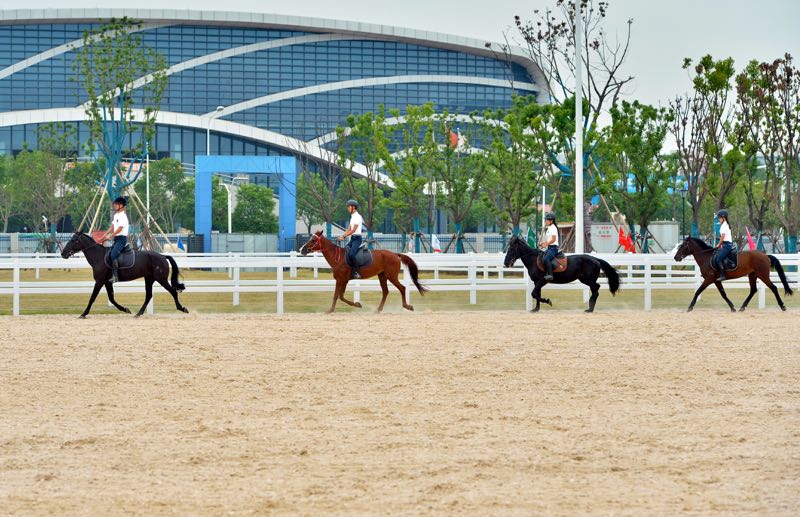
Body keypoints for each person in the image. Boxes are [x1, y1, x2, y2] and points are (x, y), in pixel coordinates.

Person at [99, 196, 129, 283]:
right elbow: (112, 227)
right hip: (116, 239)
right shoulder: (116, 215)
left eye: (116, 204)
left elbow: (120, 228)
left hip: (122, 240)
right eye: (115, 204)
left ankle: (115, 276)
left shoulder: (123, 216)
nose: (115, 205)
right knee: (108, 254)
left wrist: (111, 236)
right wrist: (104, 235)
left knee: (113, 255)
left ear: (121, 205)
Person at [337, 199, 364, 279]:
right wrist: (342, 236)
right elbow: (349, 229)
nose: (347, 208)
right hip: (352, 239)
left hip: (357, 239)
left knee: (352, 254)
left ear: (353, 207)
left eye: (348, 207)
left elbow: (353, 230)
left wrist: (344, 237)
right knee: (345, 252)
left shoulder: (358, 217)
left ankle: (357, 272)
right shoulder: (352, 217)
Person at [538, 212, 560, 281]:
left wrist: (546, 244)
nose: (545, 221)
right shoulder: (549, 228)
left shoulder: (553, 228)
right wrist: (543, 243)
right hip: (550, 247)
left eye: (546, 220)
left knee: (546, 259)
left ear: (551, 221)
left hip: (553, 248)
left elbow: (553, 239)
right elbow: (549, 240)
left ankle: (550, 275)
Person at [714, 209, 733, 281]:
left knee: (718, 259)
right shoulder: (724, 225)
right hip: (725, 244)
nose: (718, 219)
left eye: (719, 218)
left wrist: (718, 244)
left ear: (723, 217)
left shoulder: (724, 225)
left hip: (727, 245)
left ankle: (723, 275)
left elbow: (723, 236)